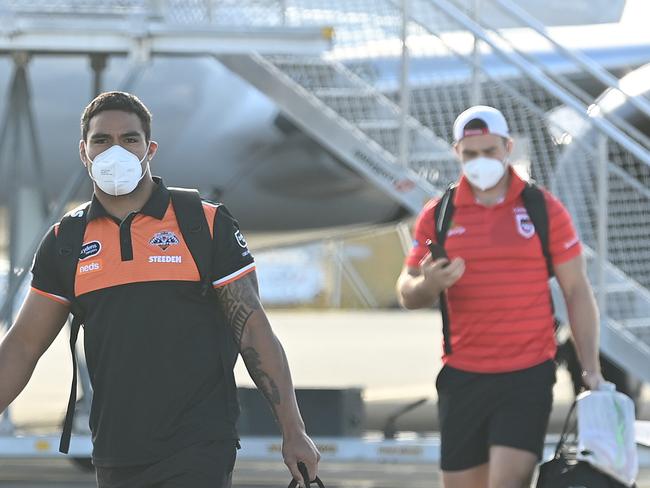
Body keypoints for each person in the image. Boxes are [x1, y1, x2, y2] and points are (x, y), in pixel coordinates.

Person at [0, 91, 319, 488]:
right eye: (101, 140)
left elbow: (253, 331)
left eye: (129, 139)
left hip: (199, 443)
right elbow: (22, 346)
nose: (115, 150)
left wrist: (293, 430)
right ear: (84, 153)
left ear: (149, 149)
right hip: (115, 447)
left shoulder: (203, 224)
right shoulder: (66, 240)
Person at [396, 105, 604, 488]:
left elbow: (577, 290)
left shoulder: (542, 208)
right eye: (470, 153)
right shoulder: (438, 214)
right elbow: (407, 290)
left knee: (508, 481)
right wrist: (428, 284)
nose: (481, 161)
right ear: (457, 151)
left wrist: (590, 367)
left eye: (490, 151)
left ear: (508, 147)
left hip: (527, 374)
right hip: (462, 375)